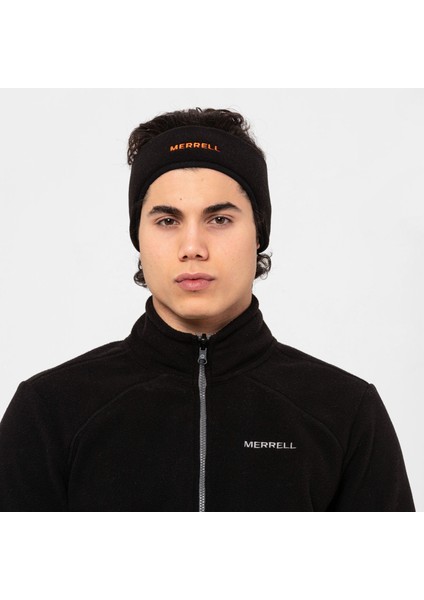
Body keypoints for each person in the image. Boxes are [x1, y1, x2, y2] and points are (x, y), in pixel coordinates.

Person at [0, 107, 415, 511]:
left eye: (219, 219)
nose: (192, 247)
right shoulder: (48, 411)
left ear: (259, 233)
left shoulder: (346, 412)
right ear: (138, 237)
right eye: (167, 221)